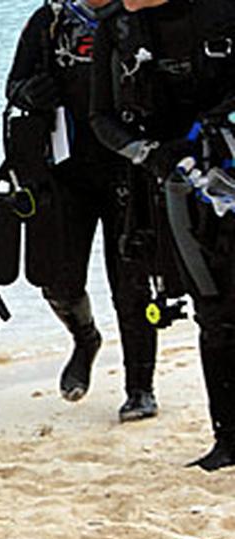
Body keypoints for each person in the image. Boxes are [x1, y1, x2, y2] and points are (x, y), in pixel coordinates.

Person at [90, 0, 235, 470]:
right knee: (211, 309)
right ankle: (228, 442)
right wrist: (148, 153)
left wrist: (211, 130)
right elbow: (101, 117)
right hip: (175, 182)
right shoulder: (118, 26)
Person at [1, 0, 159, 421]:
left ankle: (140, 388)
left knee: (131, 282)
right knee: (58, 282)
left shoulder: (139, 15)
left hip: (128, 169)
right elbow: (12, 84)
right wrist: (29, 91)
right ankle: (85, 338)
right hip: (66, 174)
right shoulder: (50, 22)